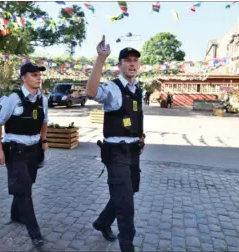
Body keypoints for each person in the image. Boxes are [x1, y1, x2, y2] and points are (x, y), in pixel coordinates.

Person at [86, 35, 146, 252]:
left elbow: (136, 117)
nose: (132, 64)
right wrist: (100, 58)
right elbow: (91, 92)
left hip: (133, 151)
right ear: (119, 65)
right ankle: (127, 246)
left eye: (135, 60)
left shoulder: (138, 89)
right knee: (126, 206)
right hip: (116, 153)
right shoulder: (112, 88)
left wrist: (141, 137)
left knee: (127, 193)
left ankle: (102, 222)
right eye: (127, 60)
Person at [0, 63, 49, 247]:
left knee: (26, 185)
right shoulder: (11, 99)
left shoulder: (43, 100)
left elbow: (44, 121)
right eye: (34, 74)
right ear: (24, 77)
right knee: (24, 191)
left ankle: (16, 215)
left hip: (34, 151)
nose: (38, 77)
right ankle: (35, 234)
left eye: (39, 74)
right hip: (15, 151)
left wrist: (44, 140)